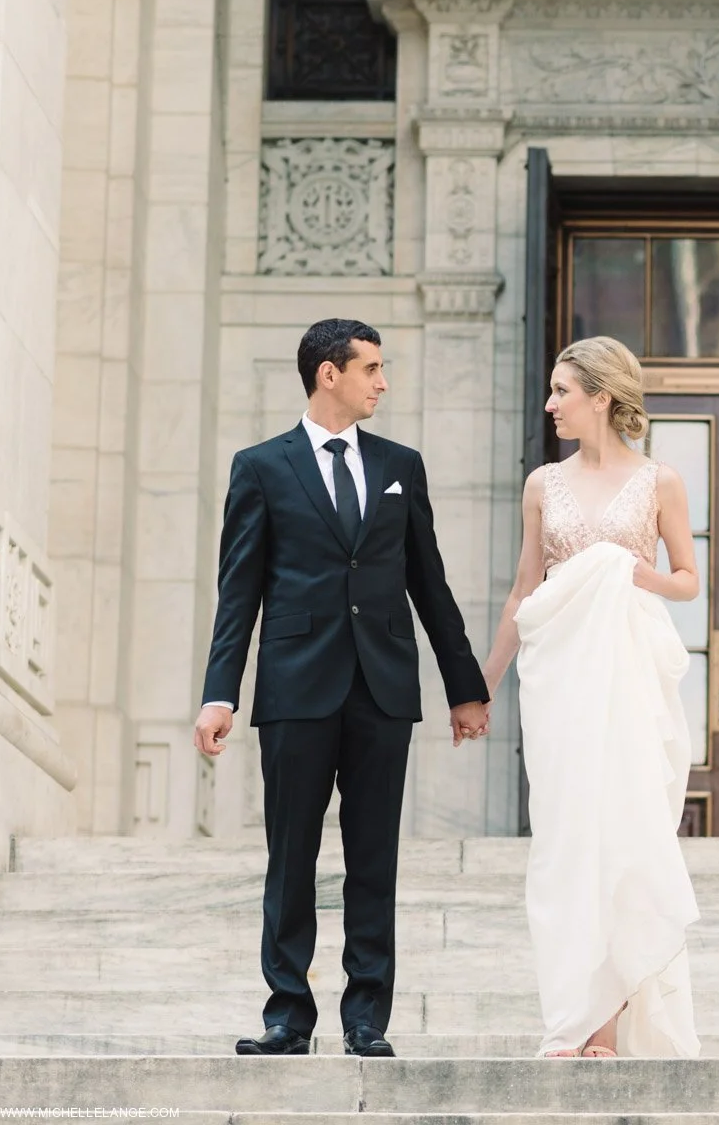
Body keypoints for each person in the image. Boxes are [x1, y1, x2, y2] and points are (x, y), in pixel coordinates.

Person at [193, 318, 491, 1059]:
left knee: (373, 857)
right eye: (372, 370)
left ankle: (367, 1017)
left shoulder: (400, 465)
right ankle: (288, 1015)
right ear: (330, 374)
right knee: (290, 856)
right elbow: (239, 593)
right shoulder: (260, 467)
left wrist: (466, 687)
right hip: (296, 687)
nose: (382, 384)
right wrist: (219, 691)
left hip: (382, 689)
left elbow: (430, 581)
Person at [480, 336, 702, 1059]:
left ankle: (608, 1024)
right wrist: (481, 684)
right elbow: (523, 589)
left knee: (625, 840)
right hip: (561, 680)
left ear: (601, 397)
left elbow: (688, 581)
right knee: (569, 845)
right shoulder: (543, 484)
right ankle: (578, 1016)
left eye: (561, 392)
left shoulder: (660, 482)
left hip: (629, 675)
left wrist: (627, 571)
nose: (550, 405)